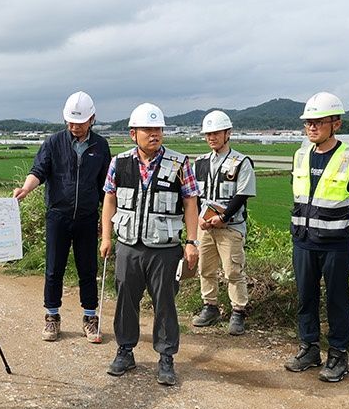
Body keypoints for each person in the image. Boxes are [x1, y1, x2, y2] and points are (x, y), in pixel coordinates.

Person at [99, 103, 200, 386]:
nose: (154, 134)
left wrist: (192, 242)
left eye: (158, 129)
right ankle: (125, 351)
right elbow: (110, 199)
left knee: (165, 302)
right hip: (129, 245)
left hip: (165, 248)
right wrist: (106, 237)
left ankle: (166, 357)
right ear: (133, 134)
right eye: (148, 129)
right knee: (125, 301)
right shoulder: (119, 163)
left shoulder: (180, 164)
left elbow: (191, 203)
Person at [13, 91, 113, 343]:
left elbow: (106, 188)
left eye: (79, 122)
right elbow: (39, 170)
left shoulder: (100, 146)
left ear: (92, 119)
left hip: (88, 217)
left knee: (88, 268)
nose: (74, 127)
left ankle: (90, 318)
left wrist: (107, 221)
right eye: (70, 122)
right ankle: (52, 317)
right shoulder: (54, 142)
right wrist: (26, 188)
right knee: (53, 268)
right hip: (58, 215)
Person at [287, 91, 349, 383]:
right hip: (303, 240)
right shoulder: (300, 155)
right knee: (305, 297)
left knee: (337, 299)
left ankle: (338, 353)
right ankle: (309, 348)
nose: (311, 127)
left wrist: (344, 228)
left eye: (318, 122)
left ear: (336, 123)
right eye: (308, 122)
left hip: (336, 243)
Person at [190, 110, 256, 334]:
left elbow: (242, 194)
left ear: (228, 133)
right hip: (205, 227)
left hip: (231, 226)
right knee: (205, 268)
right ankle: (210, 307)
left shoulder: (241, 162)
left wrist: (224, 217)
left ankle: (238, 311)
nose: (211, 138)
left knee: (233, 270)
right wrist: (199, 218)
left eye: (216, 133)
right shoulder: (199, 163)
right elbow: (194, 195)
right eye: (208, 134)